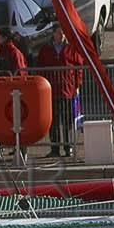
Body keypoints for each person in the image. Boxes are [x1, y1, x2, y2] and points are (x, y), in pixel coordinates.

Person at [35, 23, 84, 158]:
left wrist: (77, 85)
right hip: (50, 91)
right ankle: (55, 148)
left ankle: (68, 148)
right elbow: (40, 67)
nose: (61, 35)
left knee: (68, 121)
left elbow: (78, 67)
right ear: (53, 33)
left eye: (63, 33)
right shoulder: (45, 49)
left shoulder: (71, 49)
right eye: (59, 32)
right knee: (54, 121)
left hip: (67, 90)